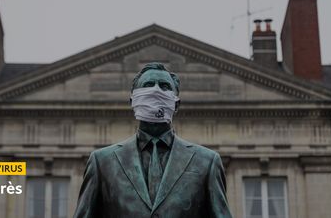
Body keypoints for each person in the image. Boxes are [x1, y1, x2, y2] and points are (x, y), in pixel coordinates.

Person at [74, 62, 232, 218]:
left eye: (164, 86)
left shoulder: (207, 162)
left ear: (176, 104)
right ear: (133, 101)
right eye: (148, 85)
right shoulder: (102, 162)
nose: (156, 90)